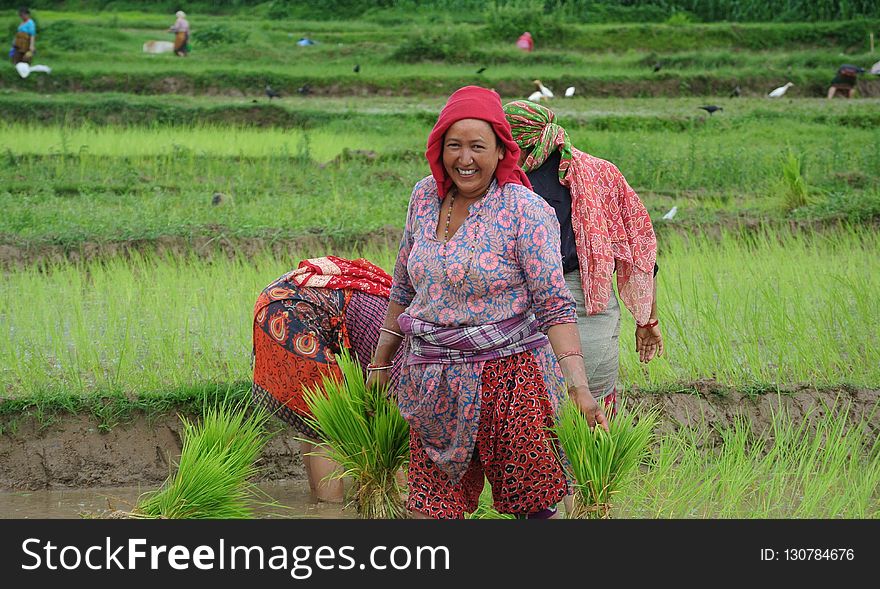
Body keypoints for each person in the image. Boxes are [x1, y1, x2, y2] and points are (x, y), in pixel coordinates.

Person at [367, 85, 608, 520]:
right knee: (430, 509)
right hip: (432, 381)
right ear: (438, 149)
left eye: (478, 146)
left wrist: (580, 388)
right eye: (453, 146)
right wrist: (382, 363)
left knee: (534, 507)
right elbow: (403, 286)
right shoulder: (424, 197)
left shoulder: (525, 210)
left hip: (511, 380)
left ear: (501, 151)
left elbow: (554, 305)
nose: (464, 159)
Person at [503, 100, 663, 416]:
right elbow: (640, 253)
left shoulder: (510, 182)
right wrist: (647, 320)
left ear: (519, 140)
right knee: (583, 407)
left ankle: (573, 463)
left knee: (544, 408)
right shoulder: (602, 173)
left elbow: (639, 250)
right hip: (563, 302)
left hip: (566, 301)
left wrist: (648, 319)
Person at [252, 256, 404, 503]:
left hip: (278, 301)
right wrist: (402, 495)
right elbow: (389, 432)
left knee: (315, 421)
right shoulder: (407, 351)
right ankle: (331, 510)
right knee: (331, 427)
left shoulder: (402, 314)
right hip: (295, 312)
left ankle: (317, 502)